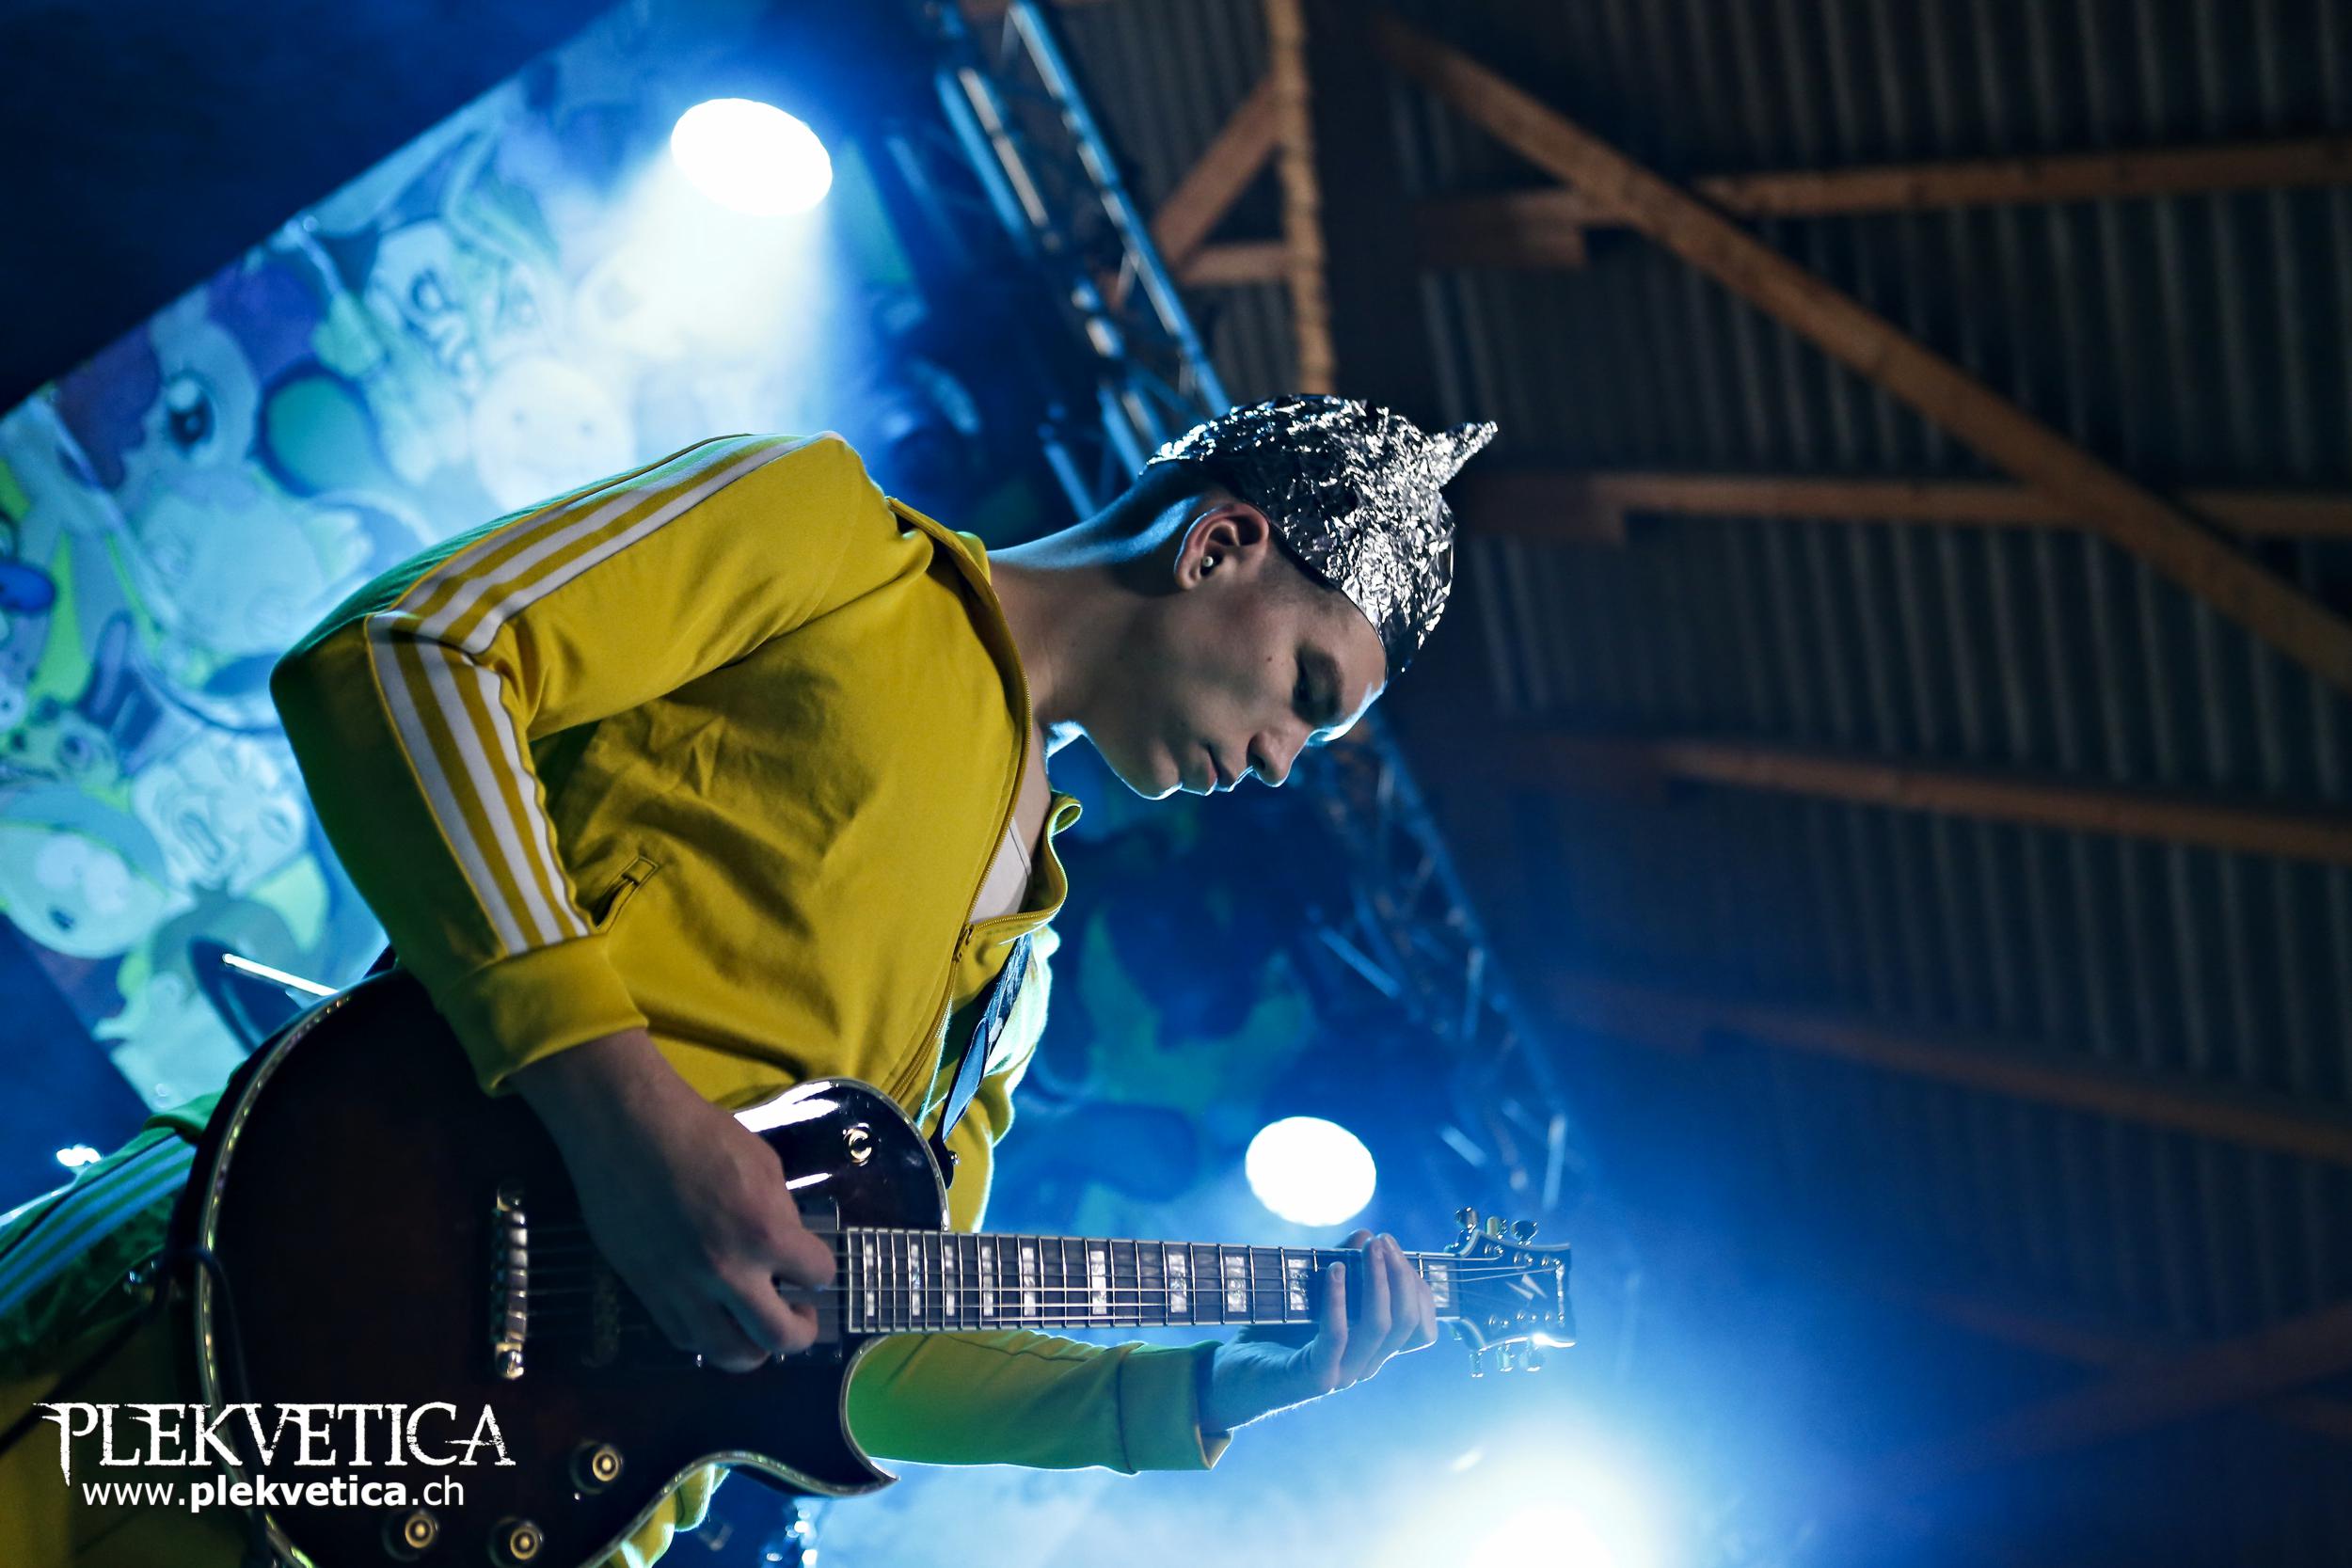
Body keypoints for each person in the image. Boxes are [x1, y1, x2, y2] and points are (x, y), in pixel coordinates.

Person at [0, 393, 1496, 1566]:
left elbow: (855, 1348)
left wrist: (1199, 1391)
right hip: (214, 1324)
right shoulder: (837, 544)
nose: (1286, 760)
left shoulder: (1015, 988)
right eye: (1308, 688)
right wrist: (621, 1114)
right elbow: (403, 655)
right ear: (1218, 546)